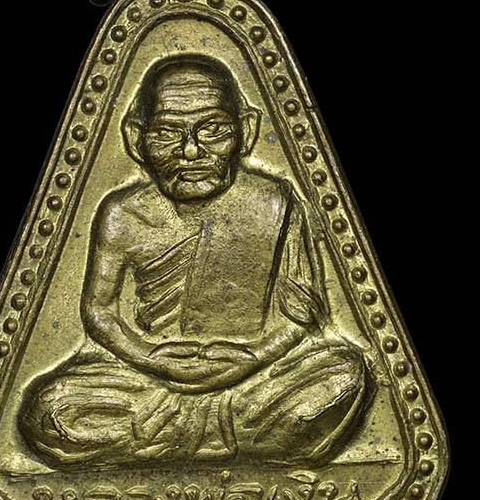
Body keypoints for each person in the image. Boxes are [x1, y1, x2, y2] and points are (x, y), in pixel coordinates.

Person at [19, 55, 372, 467]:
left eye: (214, 130)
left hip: (254, 378)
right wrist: (148, 357)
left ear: (247, 131)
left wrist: (254, 358)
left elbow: (301, 316)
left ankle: (167, 437)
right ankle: (235, 438)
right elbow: (99, 313)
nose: (190, 151)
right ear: (135, 138)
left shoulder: (275, 202)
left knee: (345, 374)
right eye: (167, 132)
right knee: (49, 411)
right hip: (148, 378)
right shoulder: (122, 213)